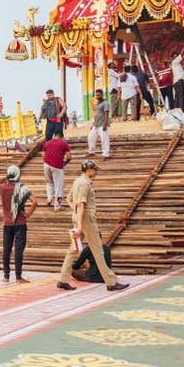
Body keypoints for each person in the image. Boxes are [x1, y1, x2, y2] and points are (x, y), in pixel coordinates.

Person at [56, 160, 128, 292]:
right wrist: (79, 225)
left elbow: (69, 199)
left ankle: (63, 279)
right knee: (98, 250)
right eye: (94, 170)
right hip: (86, 219)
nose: (96, 172)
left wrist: (76, 213)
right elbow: (82, 205)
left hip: (79, 217)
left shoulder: (77, 181)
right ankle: (111, 282)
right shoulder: (85, 184)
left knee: (73, 249)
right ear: (88, 170)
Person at [0, 165, 37, 282]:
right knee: (18, 250)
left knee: (6, 249)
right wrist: (28, 214)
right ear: (18, 175)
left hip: (7, 223)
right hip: (20, 222)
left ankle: (6, 276)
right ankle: (18, 277)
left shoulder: (1, 187)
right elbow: (34, 202)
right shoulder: (22, 188)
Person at [42, 129, 72, 211]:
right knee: (58, 186)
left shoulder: (47, 143)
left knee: (49, 183)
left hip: (46, 164)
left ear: (54, 135)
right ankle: (57, 206)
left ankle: (49, 199)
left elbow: (43, 155)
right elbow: (69, 156)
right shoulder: (63, 143)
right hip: (57, 166)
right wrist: (64, 163)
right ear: (62, 136)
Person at [88, 88, 111, 159]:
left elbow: (106, 114)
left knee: (104, 140)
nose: (97, 96)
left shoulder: (105, 103)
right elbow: (96, 114)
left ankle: (105, 155)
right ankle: (91, 152)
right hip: (96, 124)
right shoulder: (97, 103)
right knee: (90, 138)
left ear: (102, 95)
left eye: (98, 95)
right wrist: (92, 124)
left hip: (102, 124)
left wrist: (105, 124)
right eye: (96, 95)